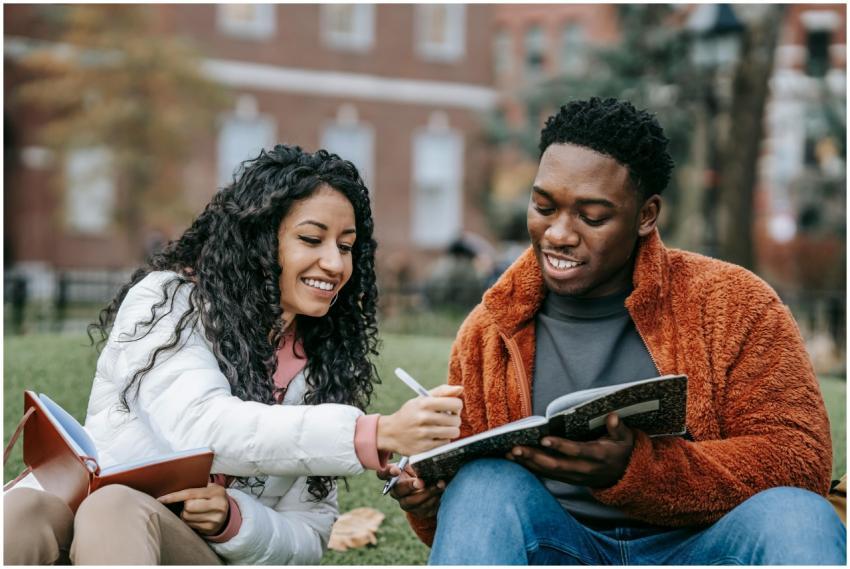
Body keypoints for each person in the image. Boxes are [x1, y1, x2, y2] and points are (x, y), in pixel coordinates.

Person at [379, 98, 846, 565]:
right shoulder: (489, 329)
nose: (558, 233)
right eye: (543, 206)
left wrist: (639, 471)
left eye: (592, 216)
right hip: (560, 545)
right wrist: (426, 499)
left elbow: (798, 459)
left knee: (798, 516)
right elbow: (476, 525)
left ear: (646, 215)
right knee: (481, 484)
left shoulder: (735, 303)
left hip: (701, 546)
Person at [4, 145, 463, 565]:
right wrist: (373, 433)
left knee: (115, 506)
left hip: (182, 547)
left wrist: (234, 521)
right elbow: (201, 426)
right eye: (311, 239)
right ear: (259, 240)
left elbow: (308, 534)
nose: (336, 263)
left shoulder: (322, 364)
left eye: (345, 246)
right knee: (23, 509)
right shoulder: (169, 303)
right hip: (84, 517)